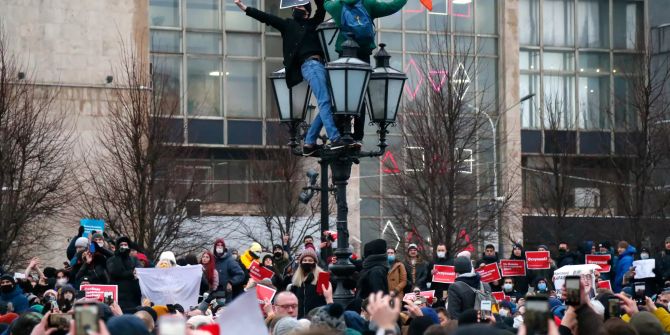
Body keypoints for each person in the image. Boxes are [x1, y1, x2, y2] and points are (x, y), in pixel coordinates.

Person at [234, 0, 346, 154]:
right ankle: (334, 138)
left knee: (331, 103)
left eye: (298, 6)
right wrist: (245, 8)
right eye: (294, 7)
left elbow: (321, 6)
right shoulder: (288, 25)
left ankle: (309, 141)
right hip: (310, 66)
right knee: (325, 101)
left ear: (306, 10)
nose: (295, 9)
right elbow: (267, 18)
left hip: (322, 66)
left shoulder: (314, 22)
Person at [106, 236, 142, 314]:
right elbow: (115, 273)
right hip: (117, 296)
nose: (123, 247)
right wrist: (130, 273)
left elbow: (139, 271)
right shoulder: (112, 259)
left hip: (132, 297)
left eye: (125, 245)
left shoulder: (134, 259)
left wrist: (128, 273)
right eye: (121, 245)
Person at [289, 249, 327, 318]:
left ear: (315, 263)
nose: (307, 262)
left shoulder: (322, 277)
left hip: (316, 319)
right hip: (300, 320)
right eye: (305, 260)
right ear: (301, 263)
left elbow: (325, 300)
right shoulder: (296, 280)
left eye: (310, 260)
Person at [212, 238, 245, 303]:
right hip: (213, 295)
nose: (219, 247)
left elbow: (240, 274)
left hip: (225, 296)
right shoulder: (212, 260)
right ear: (215, 247)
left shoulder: (229, 261)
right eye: (218, 245)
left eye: (221, 245)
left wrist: (231, 282)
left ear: (224, 248)